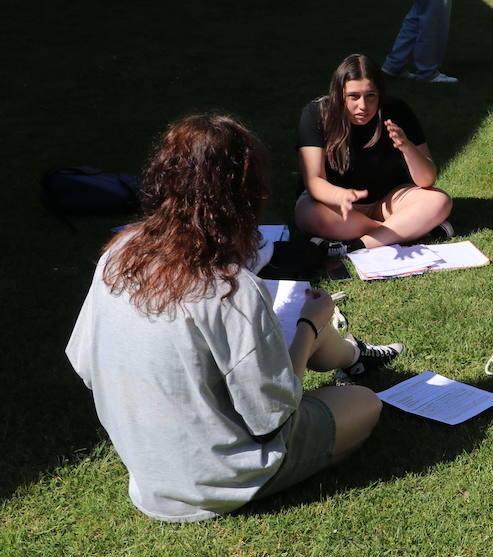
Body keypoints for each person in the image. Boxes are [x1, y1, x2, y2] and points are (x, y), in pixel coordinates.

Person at [66, 115, 400, 523]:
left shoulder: (118, 254)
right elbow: (271, 416)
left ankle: (351, 356)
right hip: (219, 478)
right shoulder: (231, 288)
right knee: (364, 404)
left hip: (146, 470)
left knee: (285, 338)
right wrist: (309, 329)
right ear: (245, 194)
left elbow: (84, 363)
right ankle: (346, 362)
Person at [296, 54, 454, 250]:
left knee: (439, 201)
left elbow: (427, 179)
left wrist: (407, 147)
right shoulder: (316, 114)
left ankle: (357, 245)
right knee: (310, 216)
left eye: (370, 96)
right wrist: (338, 196)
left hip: (387, 201)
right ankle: (408, 231)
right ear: (339, 94)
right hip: (335, 206)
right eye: (353, 96)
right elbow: (313, 180)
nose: (363, 106)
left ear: (380, 94)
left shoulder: (397, 111)